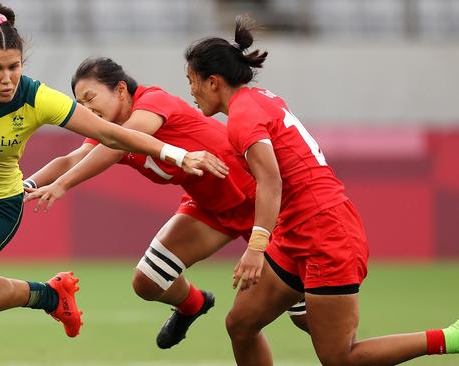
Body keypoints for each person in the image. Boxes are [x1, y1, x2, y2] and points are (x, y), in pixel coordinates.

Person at [0, 2, 227, 365]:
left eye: (14, 67)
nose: (7, 78)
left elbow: (112, 134)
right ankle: (49, 295)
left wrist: (178, 155)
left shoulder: (35, 97)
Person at [183, 14, 459, 366]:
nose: (190, 91)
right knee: (241, 324)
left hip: (326, 232)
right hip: (298, 230)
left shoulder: (242, 117)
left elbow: (271, 180)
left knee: (339, 358)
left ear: (213, 82)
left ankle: (449, 338)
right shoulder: (258, 99)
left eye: (191, 81)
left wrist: (256, 246)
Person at [23, 57, 309, 349]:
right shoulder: (111, 129)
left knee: (304, 319)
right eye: (79, 103)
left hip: (256, 203)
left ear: (120, 89)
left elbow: (118, 144)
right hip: (209, 207)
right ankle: (194, 305)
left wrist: (62, 185)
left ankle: (346, 350)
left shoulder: (152, 101)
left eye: (90, 98)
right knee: (147, 282)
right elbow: (70, 159)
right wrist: (26, 186)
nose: (85, 109)